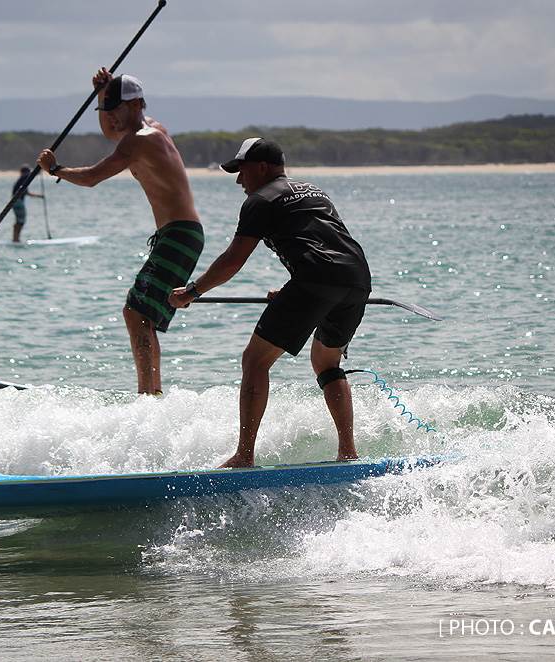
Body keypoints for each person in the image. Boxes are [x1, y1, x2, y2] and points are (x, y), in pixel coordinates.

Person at [169, 138, 371, 467]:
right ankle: (348, 452)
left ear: (262, 167)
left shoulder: (260, 201)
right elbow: (323, 244)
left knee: (254, 361)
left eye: (242, 171)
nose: (239, 180)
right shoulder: (313, 190)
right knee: (327, 363)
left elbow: (233, 260)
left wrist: (192, 291)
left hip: (315, 281)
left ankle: (244, 455)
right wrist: (293, 291)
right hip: (357, 278)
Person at [37, 69, 204, 395]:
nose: (111, 117)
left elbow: (91, 178)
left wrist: (55, 169)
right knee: (140, 314)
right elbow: (111, 132)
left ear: (138, 103)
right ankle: (152, 393)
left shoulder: (140, 140)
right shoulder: (151, 130)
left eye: (117, 110)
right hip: (179, 234)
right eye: (107, 111)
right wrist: (103, 93)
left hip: (180, 234)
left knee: (136, 313)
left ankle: (148, 395)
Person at [11, 165, 44, 242]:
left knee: (19, 221)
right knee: (21, 221)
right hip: (18, 202)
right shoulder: (23, 178)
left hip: (15, 202)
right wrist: (39, 169)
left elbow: (27, 193)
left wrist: (39, 196)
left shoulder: (22, 181)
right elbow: (30, 175)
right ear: (25, 172)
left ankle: (15, 239)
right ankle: (16, 240)